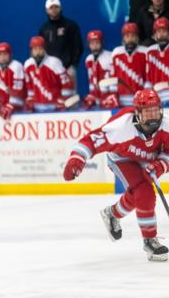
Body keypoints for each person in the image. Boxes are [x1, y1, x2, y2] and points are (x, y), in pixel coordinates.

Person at [63, 88, 169, 261]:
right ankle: (150, 240)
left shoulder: (166, 125)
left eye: (155, 110)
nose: (153, 116)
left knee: (138, 195)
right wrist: (77, 158)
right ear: (137, 113)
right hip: (122, 158)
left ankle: (112, 214)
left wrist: (160, 166)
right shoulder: (121, 127)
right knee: (144, 192)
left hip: (147, 159)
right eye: (147, 112)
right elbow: (91, 140)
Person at [25, 35, 75, 112]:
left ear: (44, 49)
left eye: (40, 48)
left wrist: (63, 101)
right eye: (35, 49)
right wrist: (30, 99)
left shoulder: (54, 62)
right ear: (31, 50)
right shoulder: (28, 64)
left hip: (55, 107)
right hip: (37, 108)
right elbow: (29, 86)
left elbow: (67, 84)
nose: (38, 52)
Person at [38, 0, 83, 84]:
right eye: (51, 7)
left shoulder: (70, 26)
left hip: (67, 69)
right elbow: (41, 50)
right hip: (50, 70)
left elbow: (78, 46)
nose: (54, 9)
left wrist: (73, 65)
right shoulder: (44, 29)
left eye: (56, 7)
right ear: (47, 10)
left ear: (61, 8)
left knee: (69, 92)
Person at [105, 22, 149, 109]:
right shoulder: (116, 53)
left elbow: (149, 76)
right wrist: (113, 95)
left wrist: (147, 94)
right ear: (123, 38)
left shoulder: (145, 52)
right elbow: (113, 77)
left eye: (133, 36)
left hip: (141, 99)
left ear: (137, 37)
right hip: (121, 100)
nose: (130, 39)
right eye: (127, 36)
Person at [0, 43, 26, 120]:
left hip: (18, 108)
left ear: (10, 55)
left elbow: (18, 92)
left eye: (5, 54)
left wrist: (10, 106)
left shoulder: (16, 66)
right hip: (4, 109)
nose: (3, 57)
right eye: (0, 55)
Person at [83, 31, 114, 110]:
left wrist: (112, 96)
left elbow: (114, 79)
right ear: (88, 45)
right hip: (97, 99)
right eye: (92, 43)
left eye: (97, 42)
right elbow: (91, 81)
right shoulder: (88, 59)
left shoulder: (110, 56)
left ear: (102, 43)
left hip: (109, 97)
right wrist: (92, 96)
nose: (95, 46)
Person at [146, 18, 169, 104]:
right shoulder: (150, 51)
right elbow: (148, 79)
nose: (161, 34)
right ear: (154, 34)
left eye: (164, 31)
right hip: (156, 98)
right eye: (159, 31)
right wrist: (149, 94)